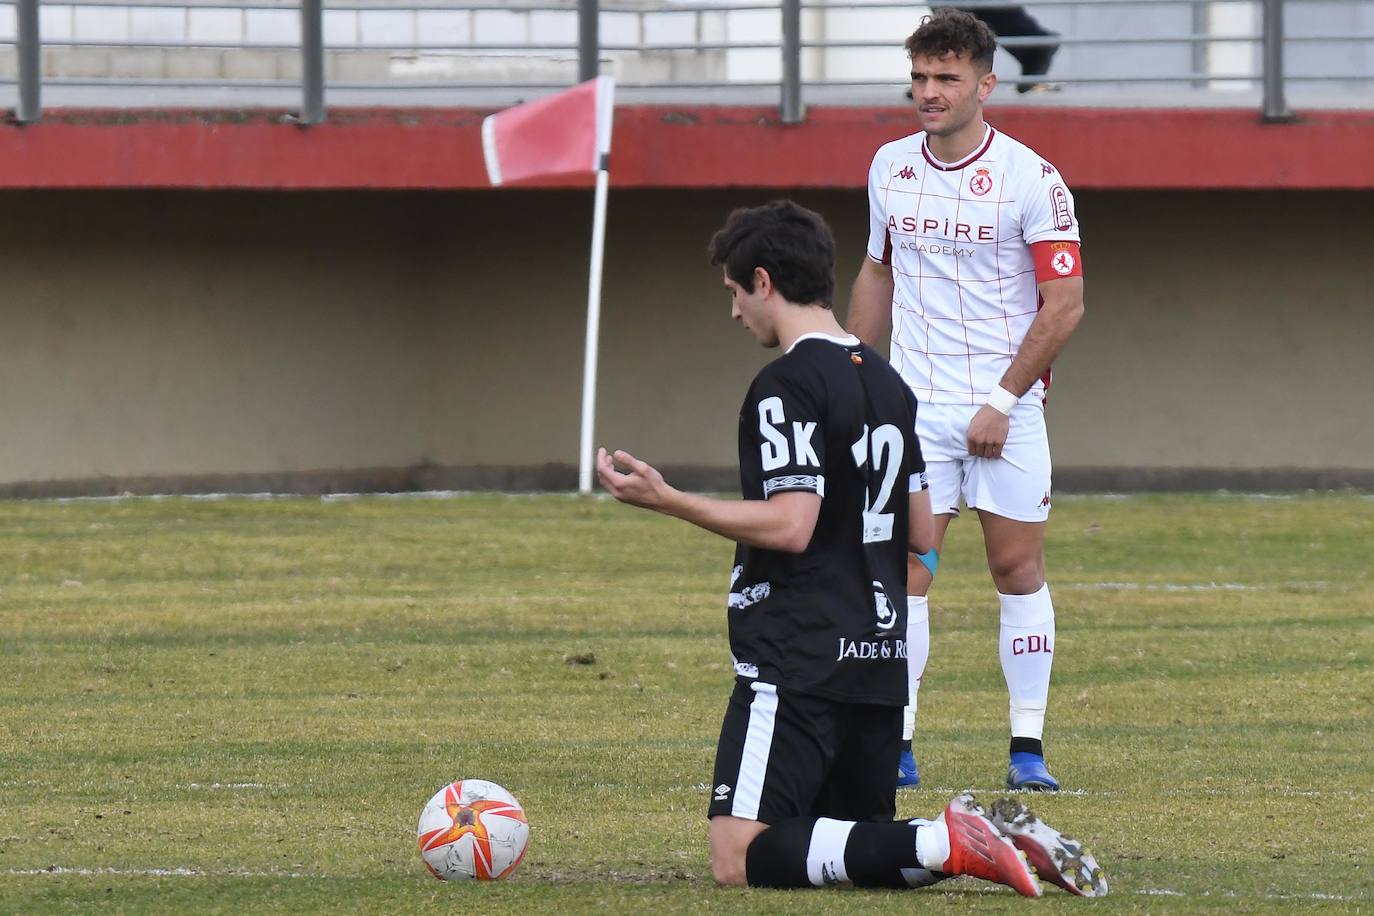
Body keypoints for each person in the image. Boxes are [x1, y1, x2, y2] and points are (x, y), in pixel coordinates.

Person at [598, 199, 1104, 897]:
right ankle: (959, 843)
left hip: (798, 654)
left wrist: (670, 501)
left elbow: (792, 524)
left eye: (734, 292)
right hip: (877, 660)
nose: (734, 311)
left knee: (738, 855)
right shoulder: (889, 384)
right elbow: (924, 536)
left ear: (764, 281)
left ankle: (943, 836)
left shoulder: (786, 385)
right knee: (858, 852)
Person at [848, 9, 1086, 793]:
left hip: (1004, 414)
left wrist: (1003, 400)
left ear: (987, 83)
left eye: (946, 78)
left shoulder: (1033, 178)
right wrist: (852, 373)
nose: (928, 92)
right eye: (919, 78)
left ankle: (1027, 751)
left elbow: (1065, 304)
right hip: (914, 413)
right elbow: (878, 272)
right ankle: (899, 741)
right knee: (905, 571)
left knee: (1016, 569)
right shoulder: (889, 166)